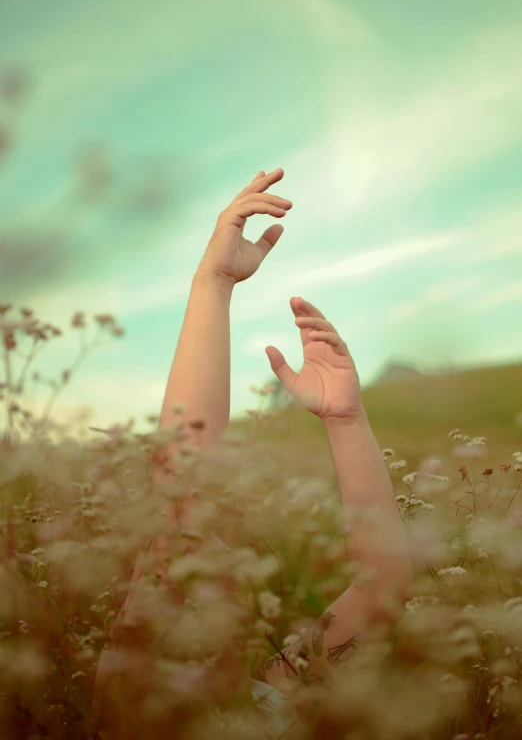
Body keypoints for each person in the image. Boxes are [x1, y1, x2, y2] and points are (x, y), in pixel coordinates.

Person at [88, 168, 415, 738]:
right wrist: (212, 283)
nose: (211, 578)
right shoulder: (138, 711)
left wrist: (346, 419)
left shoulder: (267, 699)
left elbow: (382, 589)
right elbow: (181, 494)